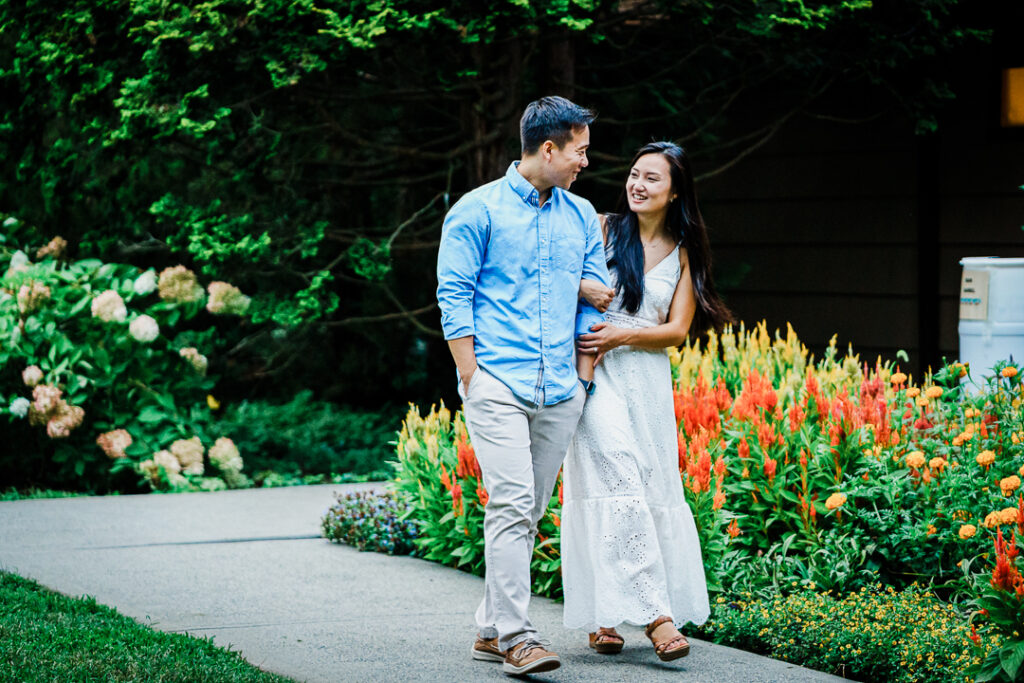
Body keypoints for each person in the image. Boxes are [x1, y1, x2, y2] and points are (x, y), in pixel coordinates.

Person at [435, 96, 611, 676]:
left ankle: (489, 629)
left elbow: (595, 297)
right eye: (580, 151)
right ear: (549, 148)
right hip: (498, 385)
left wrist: (582, 382)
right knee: (512, 503)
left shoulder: (583, 216)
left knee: (527, 511)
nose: (586, 161)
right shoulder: (475, 210)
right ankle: (517, 635)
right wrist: (471, 375)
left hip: (561, 388)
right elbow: (453, 295)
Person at [562, 141, 733, 661]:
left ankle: (603, 616)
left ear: (675, 191)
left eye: (651, 179)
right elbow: (562, 285)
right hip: (596, 374)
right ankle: (658, 617)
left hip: (646, 382)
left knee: (646, 487)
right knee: (617, 480)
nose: (637, 184)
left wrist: (623, 336)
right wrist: (601, 335)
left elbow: (677, 330)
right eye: (635, 174)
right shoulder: (602, 228)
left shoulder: (685, 250)